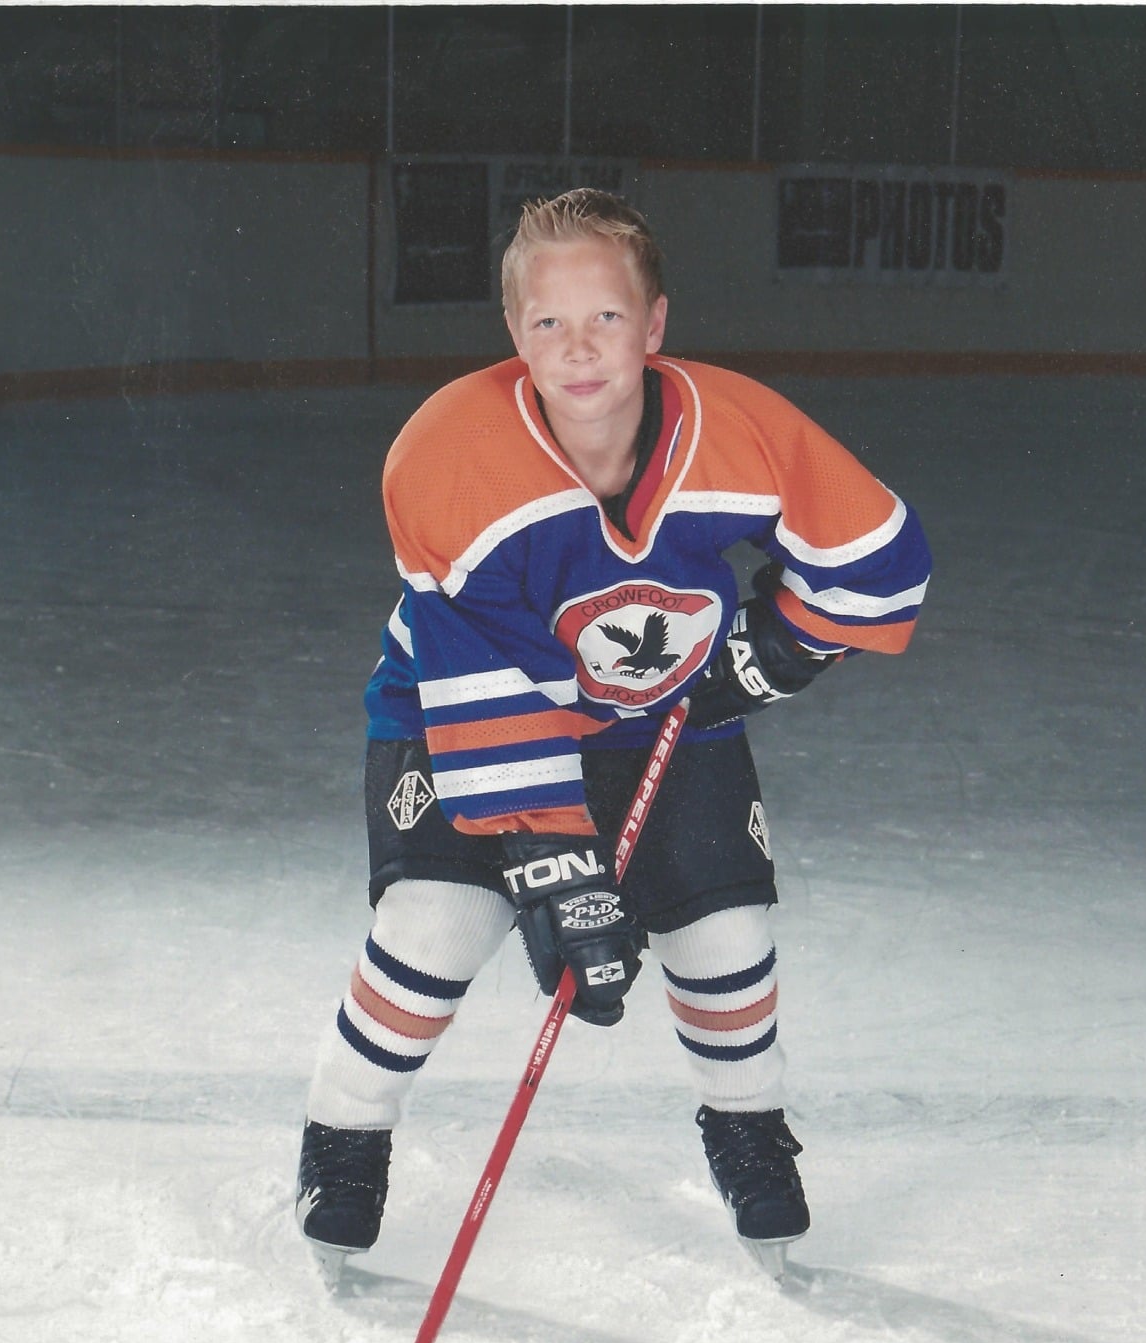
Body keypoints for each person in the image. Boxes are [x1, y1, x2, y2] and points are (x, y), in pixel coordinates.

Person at [296, 189, 931, 1277]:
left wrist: (773, 652)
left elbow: (875, 556)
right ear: (512, 335)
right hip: (460, 711)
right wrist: (555, 868)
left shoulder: (739, 429)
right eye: (547, 323)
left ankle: (747, 1132)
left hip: (660, 712)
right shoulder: (447, 455)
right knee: (434, 930)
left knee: (725, 942)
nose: (577, 348)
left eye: (604, 319)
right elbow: (478, 671)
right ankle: (343, 1137)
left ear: (654, 326)